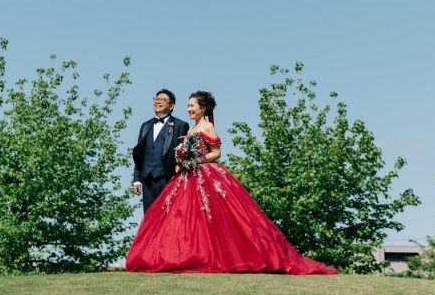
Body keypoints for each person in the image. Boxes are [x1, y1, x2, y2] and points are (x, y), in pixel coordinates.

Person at [126, 91, 338, 275]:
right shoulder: (189, 130)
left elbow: (216, 153)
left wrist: (195, 160)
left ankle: (220, 255)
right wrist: (182, 163)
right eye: (188, 106)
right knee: (184, 218)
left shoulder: (207, 127)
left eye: (191, 106)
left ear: (202, 108)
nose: (188, 109)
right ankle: (184, 254)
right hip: (186, 177)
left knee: (214, 217)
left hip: (205, 175)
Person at [132, 89, 190, 214]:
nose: (158, 102)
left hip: (168, 179)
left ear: (171, 105)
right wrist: (137, 179)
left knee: (167, 216)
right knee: (149, 217)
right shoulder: (145, 126)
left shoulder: (180, 125)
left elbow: (183, 155)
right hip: (147, 179)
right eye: (156, 99)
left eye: (163, 99)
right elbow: (139, 154)